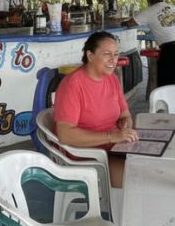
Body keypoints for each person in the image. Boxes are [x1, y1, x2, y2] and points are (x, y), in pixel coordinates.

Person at [53, 31, 138, 187]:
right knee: (136, 180)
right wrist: (112, 137)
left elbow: (125, 114)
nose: (113, 60)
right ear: (90, 56)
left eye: (116, 54)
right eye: (106, 54)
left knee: (155, 167)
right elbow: (65, 134)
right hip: (86, 154)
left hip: (115, 148)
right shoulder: (73, 85)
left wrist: (126, 124)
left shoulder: (112, 79)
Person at [124, 0, 175, 86]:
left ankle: (168, 101)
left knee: (166, 85)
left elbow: (131, 23)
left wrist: (122, 22)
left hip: (171, 49)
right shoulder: (172, 7)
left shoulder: (149, 11)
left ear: (149, 0)